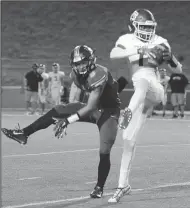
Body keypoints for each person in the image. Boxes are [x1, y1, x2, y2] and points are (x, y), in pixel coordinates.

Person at [1, 45, 127, 199]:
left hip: (109, 112)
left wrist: (69, 120)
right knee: (59, 109)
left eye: (83, 62)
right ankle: (24, 134)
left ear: (91, 60)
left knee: (104, 150)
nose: (80, 66)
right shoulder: (75, 74)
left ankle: (99, 187)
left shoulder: (98, 73)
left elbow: (91, 106)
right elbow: (83, 98)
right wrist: (71, 111)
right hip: (94, 108)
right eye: (77, 63)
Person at [108, 9, 183, 203]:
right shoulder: (127, 39)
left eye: (150, 27)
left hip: (155, 90)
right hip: (142, 101)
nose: (147, 31)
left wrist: (170, 58)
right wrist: (139, 52)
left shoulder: (161, 41)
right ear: (133, 26)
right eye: (143, 27)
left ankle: (127, 112)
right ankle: (122, 185)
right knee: (127, 140)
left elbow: (178, 70)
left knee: (142, 79)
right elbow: (114, 54)